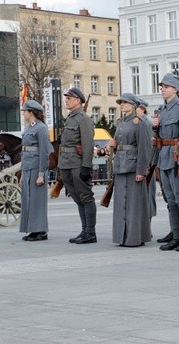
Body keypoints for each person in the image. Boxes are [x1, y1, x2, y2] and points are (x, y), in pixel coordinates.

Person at [153, 73, 179, 251]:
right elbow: (158, 139)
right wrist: (155, 127)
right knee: (170, 200)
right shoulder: (161, 110)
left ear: (175, 89)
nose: (162, 89)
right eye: (161, 86)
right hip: (164, 158)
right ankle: (175, 236)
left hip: (178, 158)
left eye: (166, 86)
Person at [110, 93, 151, 247]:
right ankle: (121, 237)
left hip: (133, 166)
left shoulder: (138, 122)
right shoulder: (120, 122)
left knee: (134, 203)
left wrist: (141, 171)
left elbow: (144, 148)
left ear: (133, 105)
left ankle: (134, 237)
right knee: (121, 202)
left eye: (125, 102)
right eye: (121, 102)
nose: (122, 105)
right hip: (121, 164)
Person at [60, 87, 97, 244]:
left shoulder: (84, 119)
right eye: (66, 98)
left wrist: (86, 166)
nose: (66, 101)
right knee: (77, 198)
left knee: (85, 197)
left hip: (77, 163)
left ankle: (90, 233)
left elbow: (88, 144)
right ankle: (84, 230)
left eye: (69, 98)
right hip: (66, 163)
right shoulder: (70, 118)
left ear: (77, 100)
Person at [20, 100, 53, 241]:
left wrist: (41, 174)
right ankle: (32, 229)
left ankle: (41, 231)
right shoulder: (29, 128)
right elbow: (24, 151)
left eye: (25, 111)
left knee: (37, 200)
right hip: (28, 166)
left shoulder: (41, 128)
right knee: (28, 200)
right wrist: (22, 173)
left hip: (36, 167)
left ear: (31, 112)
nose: (24, 114)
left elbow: (44, 152)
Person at [136, 98, 157, 224]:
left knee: (148, 195)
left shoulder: (147, 123)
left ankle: (147, 224)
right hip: (138, 163)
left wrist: (148, 165)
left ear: (142, 109)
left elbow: (150, 145)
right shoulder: (136, 122)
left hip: (147, 165)